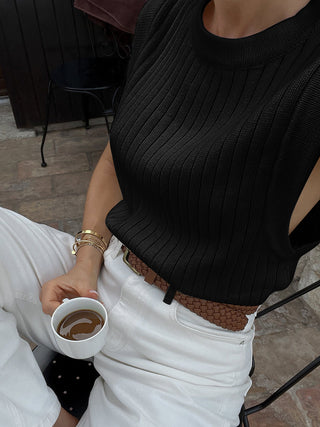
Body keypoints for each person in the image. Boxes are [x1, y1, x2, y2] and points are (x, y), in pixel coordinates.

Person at [1, 0, 320, 425]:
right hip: (99, 276)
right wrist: (86, 261)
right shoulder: (167, 15)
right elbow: (117, 160)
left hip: (188, 347)